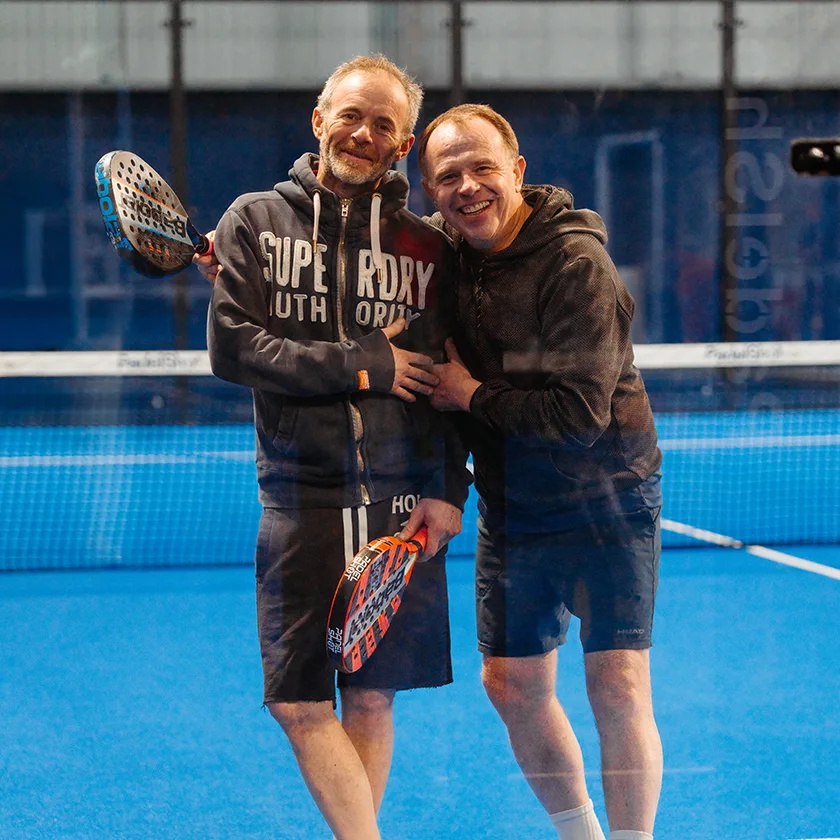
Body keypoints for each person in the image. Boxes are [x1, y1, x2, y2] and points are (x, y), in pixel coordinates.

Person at [203, 56, 471, 840]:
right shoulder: (254, 222)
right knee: (296, 702)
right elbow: (234, 350)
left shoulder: (428, 249)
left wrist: (451, 489)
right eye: (350, 115)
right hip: (302, 496)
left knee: (373, 696)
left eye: (383, 124)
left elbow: (455, 380)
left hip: (400, 504)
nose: (362, 133)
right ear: (318, 119)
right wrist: (364, 362)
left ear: (403, 144)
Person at [409, 103, 664, 840]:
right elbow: (342, 238)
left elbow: (579, 418)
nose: (468, 186)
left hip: (609, 497)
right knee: (512, 684)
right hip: (515, 504)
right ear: (431, 192)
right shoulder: (441, 259)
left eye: (483, 166)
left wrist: (475, 394)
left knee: (616, 682)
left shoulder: (576, 265)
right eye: (448, 175)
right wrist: (238, 257)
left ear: (517, 171)